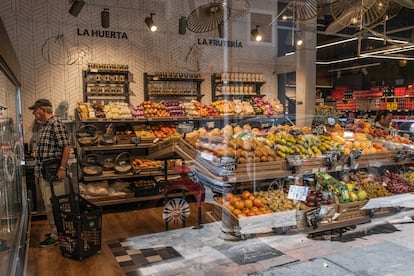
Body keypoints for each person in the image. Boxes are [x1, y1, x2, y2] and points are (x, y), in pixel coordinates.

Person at [29, 99, 71, 247]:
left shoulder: (55, 124)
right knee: (50, 204)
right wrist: (37, 174)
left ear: (42, 109)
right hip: (45, 172)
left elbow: (66, 147)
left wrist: (62, 168)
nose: (34, 113)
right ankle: (56, 231)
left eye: (35, 110)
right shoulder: (45, 126)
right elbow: (41, 154)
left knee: (55, 204)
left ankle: (59, 236)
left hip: (53, 172)